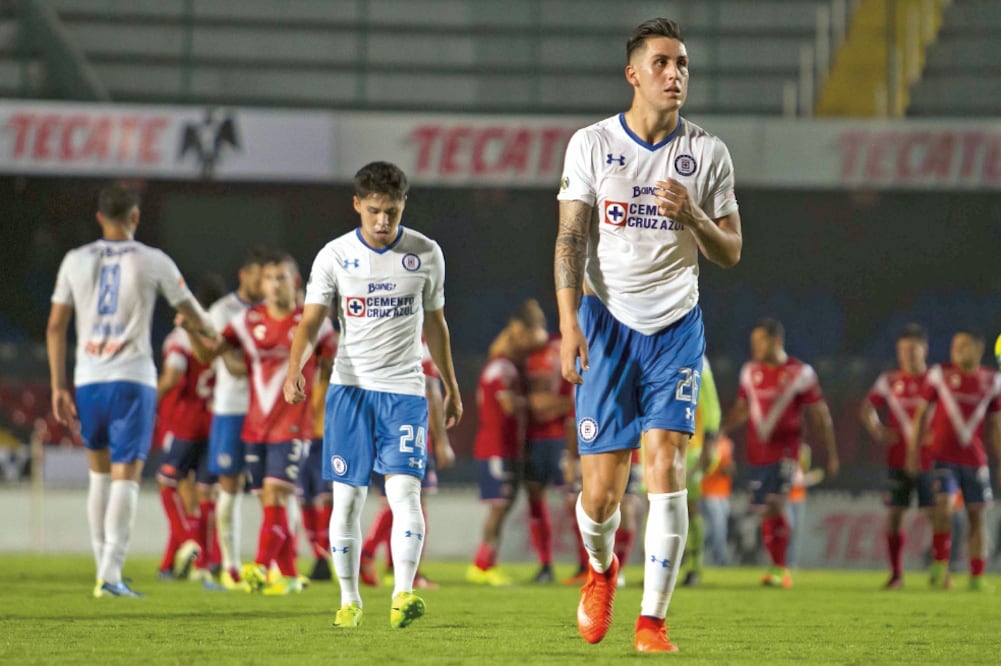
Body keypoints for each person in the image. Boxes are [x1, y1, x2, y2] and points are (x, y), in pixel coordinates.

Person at [555, 17, 743, 653]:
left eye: (683, 64)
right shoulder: (592, 144)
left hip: (675, 329)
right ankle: (602, 569)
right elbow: (570, 239)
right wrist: (566, 325)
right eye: (662, 63)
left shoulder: (709, 152)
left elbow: (732, 250)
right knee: (601, 494)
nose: (675, 74)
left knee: (665, 466)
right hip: (605, 325)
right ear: (633, 73)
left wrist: (691, 213)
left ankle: (652, 623)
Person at [284, 161, 462, 629]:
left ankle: (403, 594)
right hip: (350, 392)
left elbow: (436, 326)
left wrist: (450, 384)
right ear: (357, 205)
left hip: (404, 392)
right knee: (346, 501)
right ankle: (349, 600)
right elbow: (310, 320)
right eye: (376, 211)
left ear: (404, 205)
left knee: (406, 494)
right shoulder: (335, 255)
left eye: (393, 212)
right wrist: (293, 369)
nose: (384, 222)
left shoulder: (426, 253)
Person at [46, 182, 216, 598]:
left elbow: (55, 326)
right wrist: (210, 331)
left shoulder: (74, 260)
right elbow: (189, 307)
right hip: (132, 378)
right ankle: (111, 574)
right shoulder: (151, 259)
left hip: (88, 379)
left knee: (99, 475)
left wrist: (57, 385)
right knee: (127, 477)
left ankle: (103, 567)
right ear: (135, 217)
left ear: (100, 217)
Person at [185, 250, 336, 596]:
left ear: (295, 282)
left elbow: (338, 359)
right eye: (270, 278)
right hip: (255, 426)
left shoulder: (313, 322)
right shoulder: (246, 321)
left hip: (294, 425)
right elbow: (211, 354)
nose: (274, 284)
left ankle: (260, 568)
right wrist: (193, 330)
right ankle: (290, 574)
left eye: (282, 277)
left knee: (276, 494)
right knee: (271, 502)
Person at [721, 319, 838, 589]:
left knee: (776, 503)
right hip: (757, 453)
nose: (754, 348)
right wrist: (723, 430)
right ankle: (776, 565)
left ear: (776, 341)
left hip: (787, 451)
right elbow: (741, 408)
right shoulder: (750, 371)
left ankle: (781, 568)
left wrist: (830, 453)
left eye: (759, 342)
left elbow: (820, 415)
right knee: (765, 510)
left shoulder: (800, 373)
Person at [910, 329, 1001, 591]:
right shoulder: (939, 375)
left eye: (963, 346)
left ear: (978, 349)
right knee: (944, 508)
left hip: (975, 459)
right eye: (954, 345)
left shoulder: (992, 381)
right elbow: (921, 415)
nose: (956, 350)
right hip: (943, 457)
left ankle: (977, 576)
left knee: (978, 516)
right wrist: (914, 452)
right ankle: (940, 568)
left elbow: (995, 427)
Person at [360, 340, 455, 590]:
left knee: (394, 501)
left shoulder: (378, 337)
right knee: (413, 503)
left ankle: (392, 565)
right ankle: (378, 558)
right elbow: (431, 392)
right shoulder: (419, 341)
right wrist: (442, 441)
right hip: (410, 433)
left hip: (378, 430)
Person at [467, 299, 547, 586]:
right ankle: (483, 565)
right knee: (499, 506)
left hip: (505, 447)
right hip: (496, 448)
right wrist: (535, 401)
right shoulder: (502, 368)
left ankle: (485, 561)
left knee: (504, 504)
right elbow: (509, 405)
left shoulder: (506, 366)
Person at [155, 275, 227, 582]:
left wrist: (149, 400)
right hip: (217, 419)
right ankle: (203, 561)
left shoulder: (181, 337)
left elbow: (172, 376)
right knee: (204, 495)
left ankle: (188, 542)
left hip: (184, 421)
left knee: (170, 485)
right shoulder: (223, 332)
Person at [205, 247, 265, 589]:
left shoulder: (269, 311)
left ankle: (271, 565)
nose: (263, 283)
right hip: (230, 408)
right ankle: (229, 566)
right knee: (229, 486)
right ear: (244, 274)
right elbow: (230, 364)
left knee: (271, 489)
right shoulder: (222, 311)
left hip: (265, 411)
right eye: (258, 276)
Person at [859, 323, 932, 589]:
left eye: (912, 350)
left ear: (924, 350)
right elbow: (867, 408)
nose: (907, 355)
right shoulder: (889, 381)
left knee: (938, 515)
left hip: (930, 460)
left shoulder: (934, 379)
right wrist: (877, 429)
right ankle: (896, 574)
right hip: (897, 459)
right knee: (894, 515)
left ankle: (940, 570)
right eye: (902, 350)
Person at [523, 331, 575, 584]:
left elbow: (568, 402)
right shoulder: (528, 354)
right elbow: (530, 402)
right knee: (535, 499)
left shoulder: (565, 345)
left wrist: (547, 405)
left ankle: (586, 565)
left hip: (560, 440)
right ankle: (545, 565)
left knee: (574, 501)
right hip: (533, 441)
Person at [681, 355, 721, 587]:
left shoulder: (697, 358)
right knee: (652, 505)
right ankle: (658, 566)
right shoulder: (648, 345)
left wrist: (710, 442)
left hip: (691, 446)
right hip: (652, 444)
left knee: (689, 506)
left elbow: (712, 408)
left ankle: (694, 567)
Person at [699, 434, 735, 566]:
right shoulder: (705, 441)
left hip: (723, 491)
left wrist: (729, 468)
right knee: (718, 527)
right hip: (708, 491)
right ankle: (720, 559)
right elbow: (705, 466)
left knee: (719, 528)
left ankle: (692, 551)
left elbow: (729, 467)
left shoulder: (726, 442)